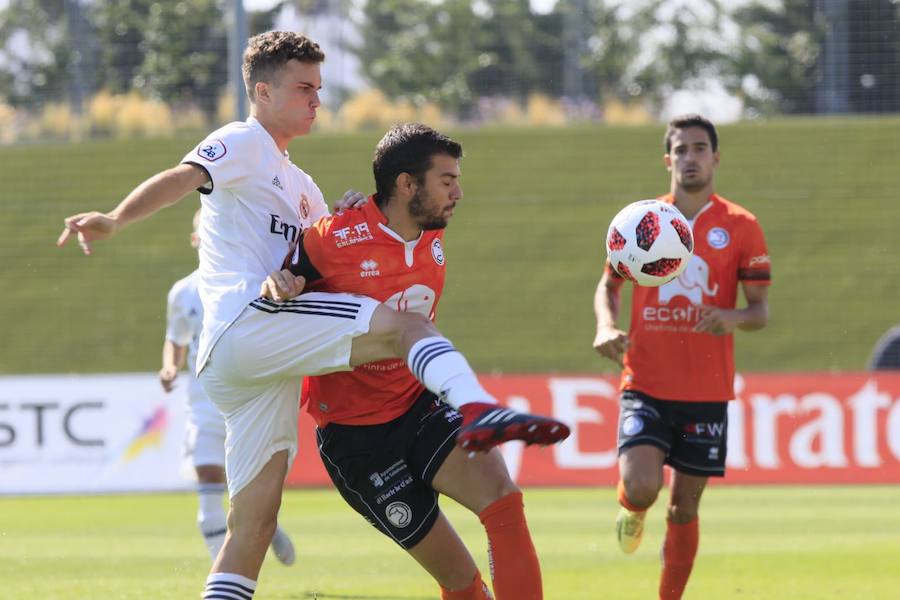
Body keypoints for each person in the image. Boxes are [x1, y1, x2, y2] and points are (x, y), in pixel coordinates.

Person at [57, 31, 569, 599]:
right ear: (262, 90)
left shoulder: (302, 186)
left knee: (251, 527)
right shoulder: (242, 141)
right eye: (303, 87)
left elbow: (325, 257)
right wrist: (115, 218)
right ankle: (477, 407)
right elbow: (182, 179)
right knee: (405, 328)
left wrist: (349, 214)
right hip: (248, 321)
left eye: (319, 88)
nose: (316, 100)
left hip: (250, 369)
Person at [272, 123, 543, 599]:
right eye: (446, 181)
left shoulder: (430, 237)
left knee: (504, 500)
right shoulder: (334, 238)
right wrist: (285, 285)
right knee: (461, 582)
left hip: (419, 408)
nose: (458, 192)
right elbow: (283, 284)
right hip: (356, 440)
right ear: (406, 184)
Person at [593, 114, 771, 600]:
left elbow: (759, 312)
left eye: (699, 148)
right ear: (668, 158)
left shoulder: (741, 227)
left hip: (706, 391)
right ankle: (631, 508)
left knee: (684, 510)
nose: (690, 157)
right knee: (644, 487)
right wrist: (606, 326)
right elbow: (608, 287)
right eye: (681, 149)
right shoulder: (641, 221)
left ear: (715, 157)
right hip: (646, 381)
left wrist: (731, 316)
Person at [159, 209, 295, 565]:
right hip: (203, 405)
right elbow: (176, 338)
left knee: (246, 491)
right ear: (195, 240)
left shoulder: (247, 284)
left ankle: (264, 523)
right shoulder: (182, 292)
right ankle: (219, 573)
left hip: (248, 400)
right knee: (207, 482)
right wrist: (170, 366)